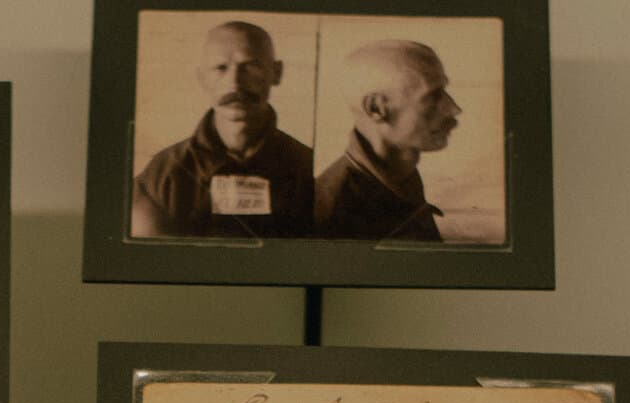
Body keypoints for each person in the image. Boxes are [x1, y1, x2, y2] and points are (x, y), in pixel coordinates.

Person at [131, 21, 313, 238]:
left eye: (250, 66)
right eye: (221, 68)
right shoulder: (160, 178)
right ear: (202, 78)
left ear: (276, 72)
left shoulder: (309, 169)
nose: (234, 83)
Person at [315, 41, 461, 241]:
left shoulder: (399, 174)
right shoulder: (333, 212)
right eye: (434, 96)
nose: (454, 109)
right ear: (376, 108)